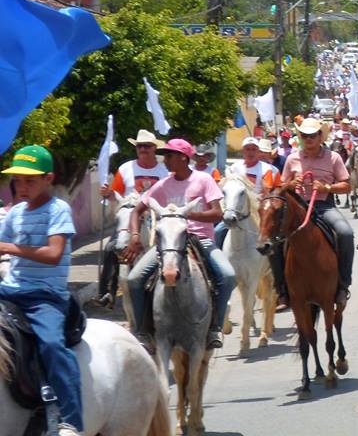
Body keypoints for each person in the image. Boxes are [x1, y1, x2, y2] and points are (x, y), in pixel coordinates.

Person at [0, 146, 84, 436]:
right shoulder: (16, 213)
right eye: (18, 180)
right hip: (10, 288)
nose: (21, 187)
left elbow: (53, 254)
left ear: (49, 178)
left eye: (30, 180)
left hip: (44, 295)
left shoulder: (58, 209)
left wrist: (9, 248)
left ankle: (72, 419)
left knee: (51, 345)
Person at [125, 138, 236, 352]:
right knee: (134, 279)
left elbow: (217, 213)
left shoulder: (203, 180)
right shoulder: (163, 184)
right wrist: (135, 235)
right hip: (169, 243)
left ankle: (215, 326)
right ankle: (143, 331)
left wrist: (184, 214)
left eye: (169, 156)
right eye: (164, 156)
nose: (164, 160)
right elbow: (136, 210)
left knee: (228, 275)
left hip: (200, 238)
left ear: (183, 157)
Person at [281, 118, 356, 309]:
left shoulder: (333, 158)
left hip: (324, 206)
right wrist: (290, 184)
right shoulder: (292, 158)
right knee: (273, 240)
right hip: (297, 208)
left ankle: (343, 285)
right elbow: (281, 186)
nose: (308, 139)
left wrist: (327, 187)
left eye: (312, 135)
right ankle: (282, 289)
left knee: (346, 233)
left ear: (320, 136)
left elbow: (347, 185)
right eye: (305, 135)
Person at [96, 129, 168, 307]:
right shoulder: (125, 168)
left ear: (154, 149)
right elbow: (116, 195)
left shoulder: (164, 171)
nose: (143, 149)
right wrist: (108, 193)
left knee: (172, 247)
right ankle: (107, 293)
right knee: (111, 248)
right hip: (129, 217)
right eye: (140, 146)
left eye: (147, 146)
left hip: (154, 218)